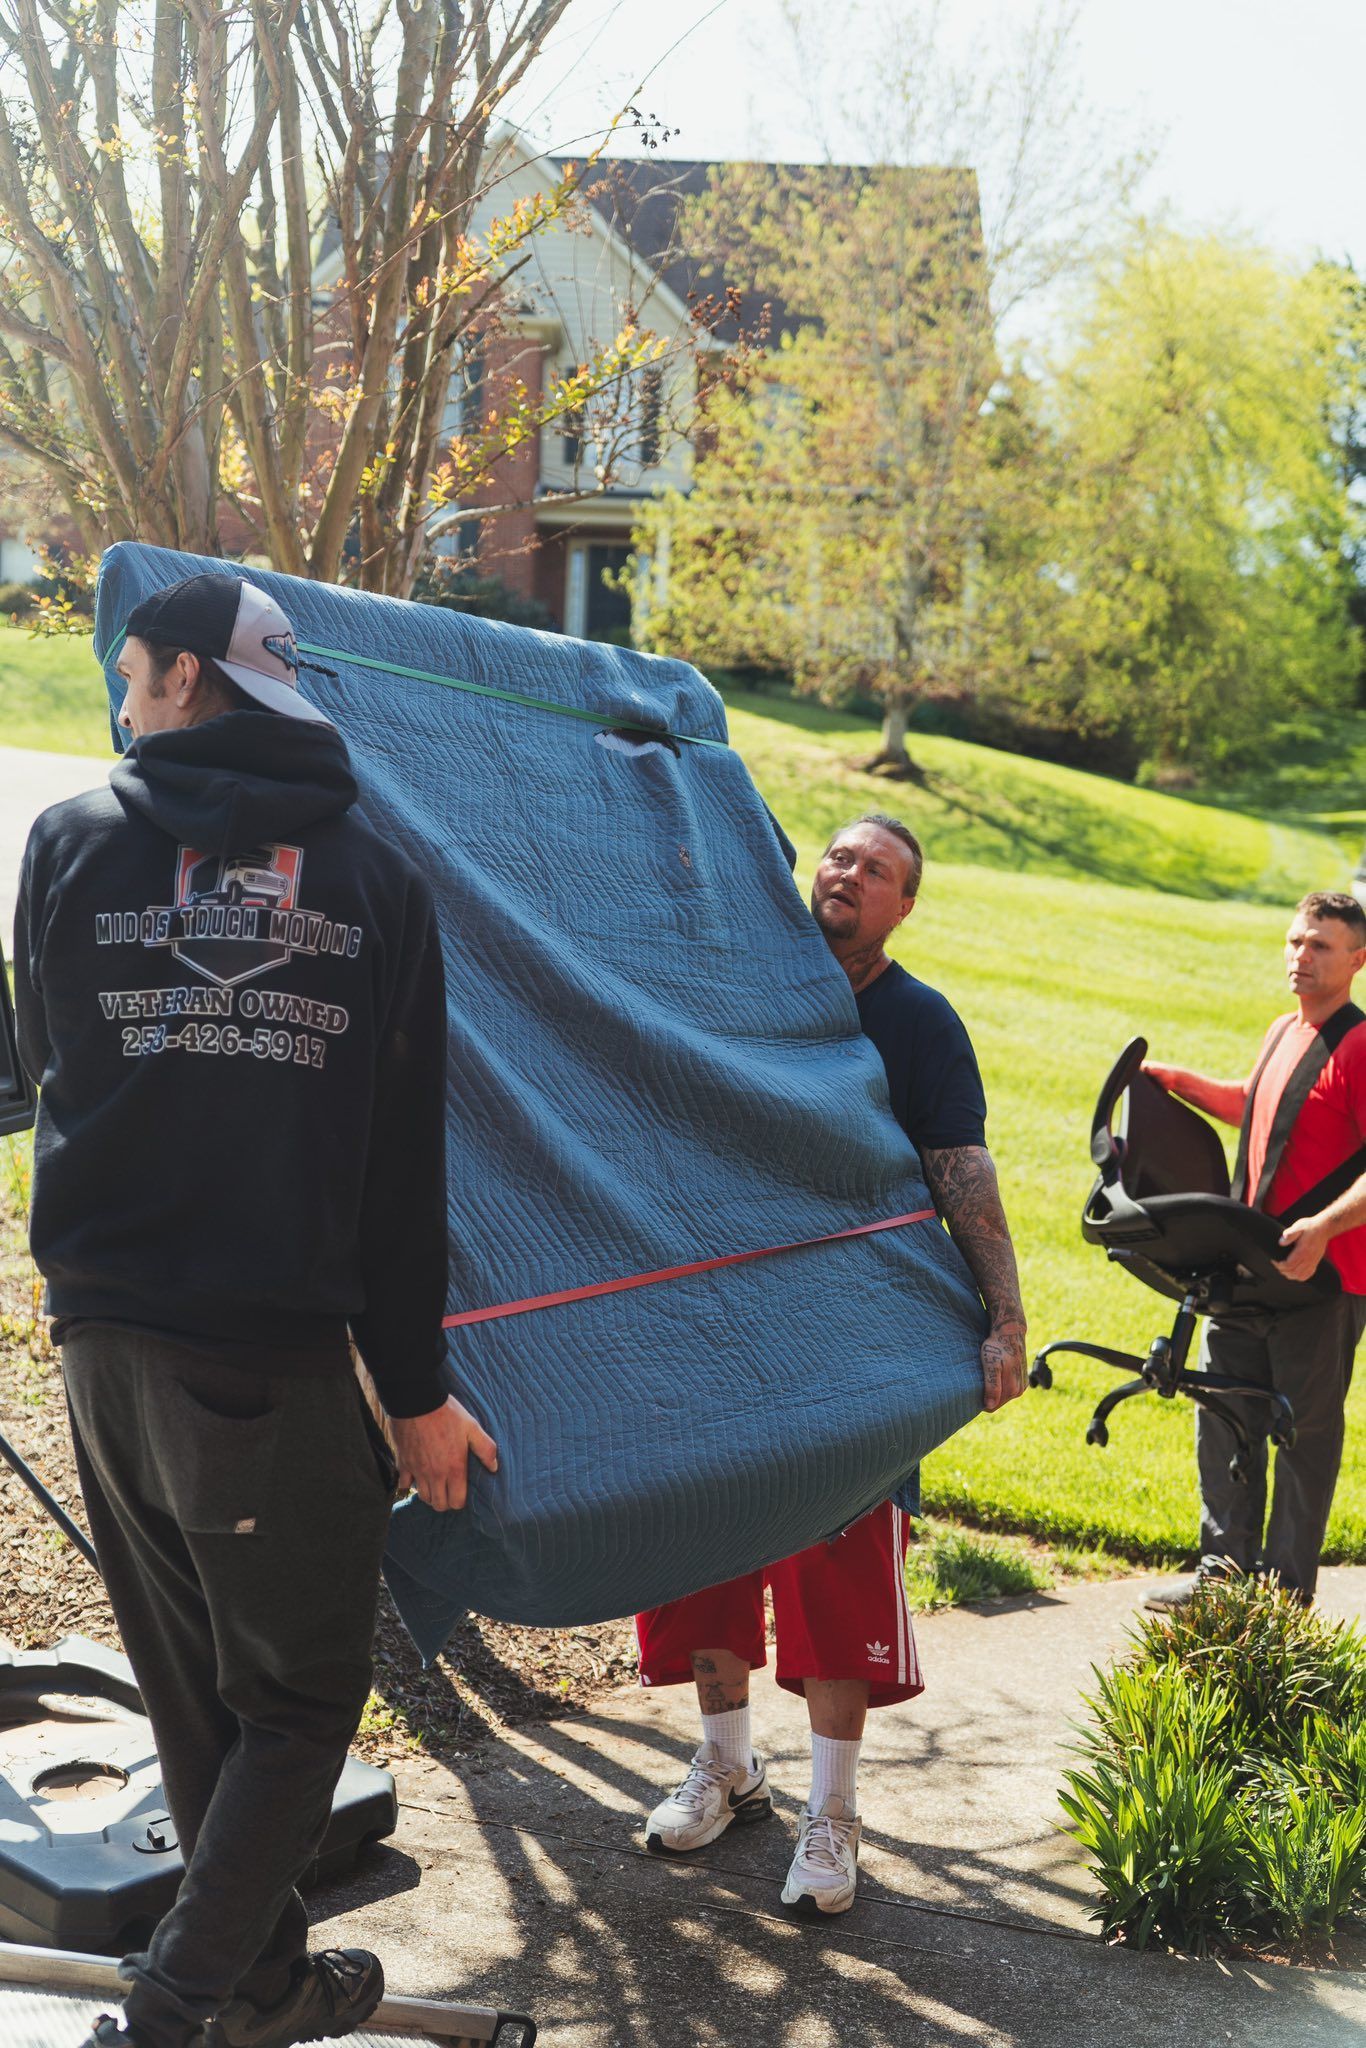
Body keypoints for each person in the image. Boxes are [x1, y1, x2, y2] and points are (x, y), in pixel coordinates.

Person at [13, 573, 494, 2048]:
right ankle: (174, 2017)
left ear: (175, 676)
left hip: (103, 1349)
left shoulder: (71, 843)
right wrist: (414, 1393)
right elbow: (398, 1175)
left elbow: (36, 1066)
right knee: (294, 1704)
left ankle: (267, 1986)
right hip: (265, 1365)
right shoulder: (372, 882)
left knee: (199, 1702)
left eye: (127, 667)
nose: (116, 689)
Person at [634, 812, 1027, 1916]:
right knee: (706, 1544)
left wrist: (1004, 1316)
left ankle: (834, 1809)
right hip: (718, 1323)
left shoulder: (917, 1021)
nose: (850, 874)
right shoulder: (748, 990)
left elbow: (961, 1169)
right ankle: (726, 1764)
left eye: (880, 869)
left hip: (853, 1341)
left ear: (905, 906)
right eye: (841, 856)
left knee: (835, 1561)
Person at [1142, 890, 1366, 1609]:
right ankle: (1222, 1577)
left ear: (1357, 960)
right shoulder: (1283, 1030)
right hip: (1247, 1268)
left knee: (1304, 1440)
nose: (1301, 956)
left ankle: (1282, 1601)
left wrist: (1327, 1226)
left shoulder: (1361, 1047)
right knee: (1225, 1415)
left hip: (1323, 1278)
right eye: (1296, 942)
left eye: (1320, 946)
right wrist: (1176, 1082)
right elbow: (1256, 1101)